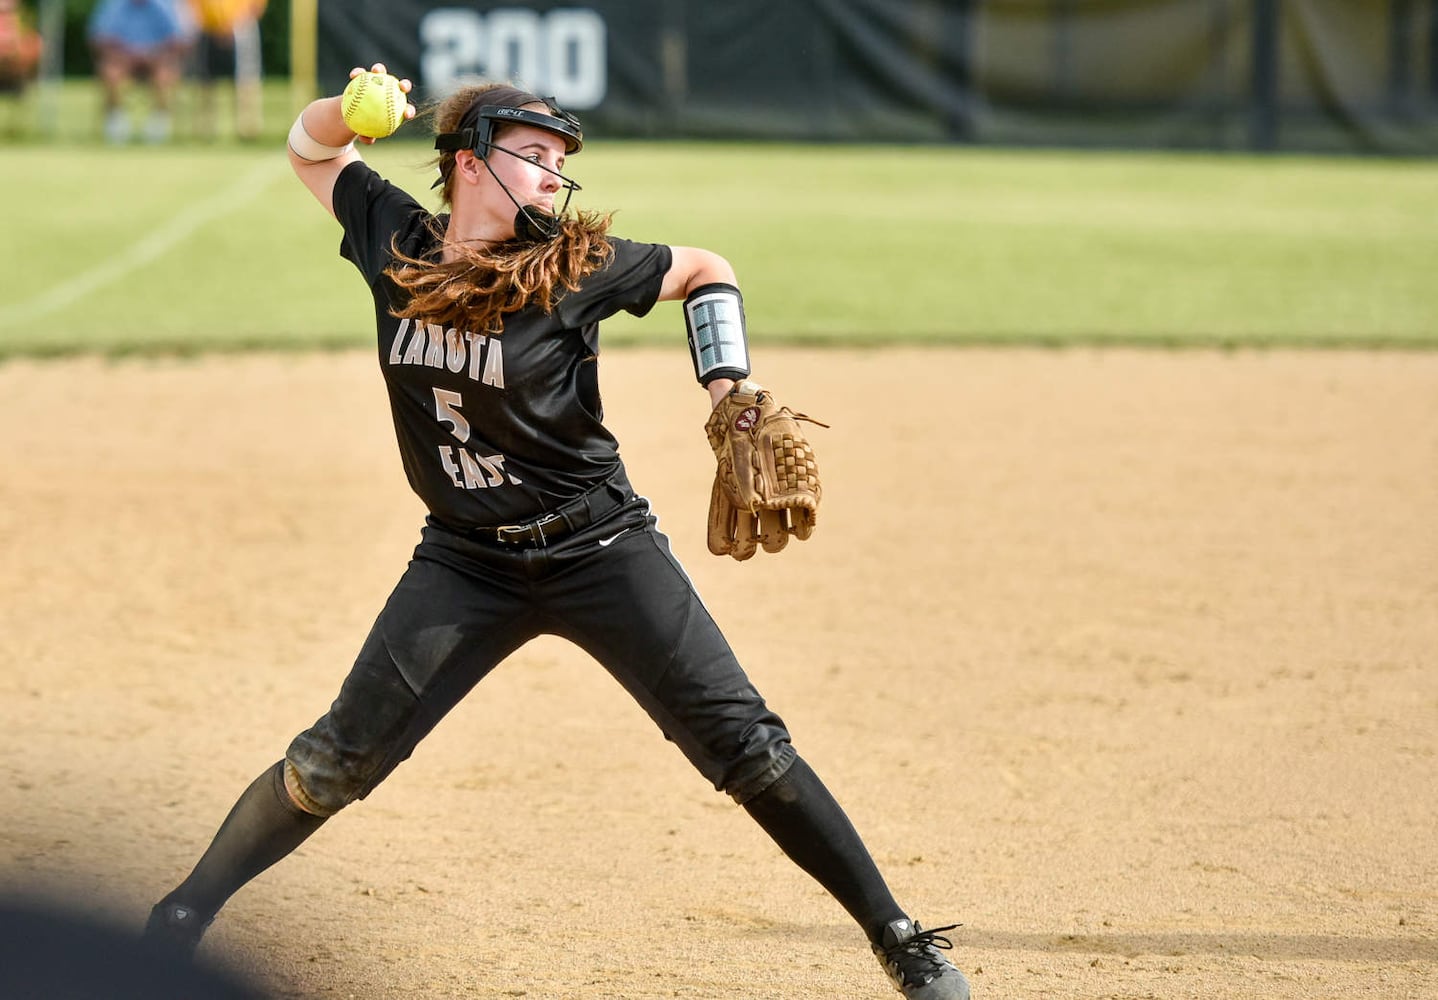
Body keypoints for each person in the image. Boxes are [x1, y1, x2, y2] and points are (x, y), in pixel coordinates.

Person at [140, 62, 971, 1000]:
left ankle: (900, 937)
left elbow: (706, 269)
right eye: (531, 155)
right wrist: (349, 107)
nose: (550, 175)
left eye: (558, 161)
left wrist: (727, 383)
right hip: (463, 562)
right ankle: (178, 917)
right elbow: (310, 146)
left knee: (746, 744)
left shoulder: (573, 264)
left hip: (599, 548)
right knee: (336, 760)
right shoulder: (393, 236)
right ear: (466, 162)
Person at [88, 0, 194, 144]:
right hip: (123, 59)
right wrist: (125, 55)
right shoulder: (113, 4)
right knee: (110, 73)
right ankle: (116, 119)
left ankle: (159, 120)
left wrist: (155, 55)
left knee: (163, 76)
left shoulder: (167, 4)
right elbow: (99, 38)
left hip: (157, 60)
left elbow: (180, 40)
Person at [187, 0, 264, 140]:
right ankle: (206, 130)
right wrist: (208, 24)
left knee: (245, 79)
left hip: (242, 28)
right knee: (206, 81)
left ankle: (247, 129)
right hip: (208, 29)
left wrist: (234, 24)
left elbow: (255, 5)